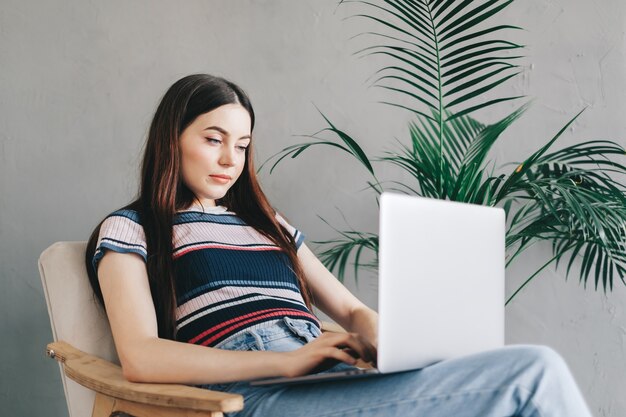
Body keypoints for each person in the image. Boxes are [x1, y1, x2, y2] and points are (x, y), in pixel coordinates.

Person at [85, 73, 592, 417]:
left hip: (324, 375)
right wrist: (284, 362)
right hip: (251, 395)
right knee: (532, 374)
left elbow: (349, 308)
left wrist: (381, 339)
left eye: (241, 146)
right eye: (213, 139)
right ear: (170, 139)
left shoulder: (268, 223)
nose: (230, 160)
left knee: (521, 370)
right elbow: (141, 356)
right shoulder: (131, 229)